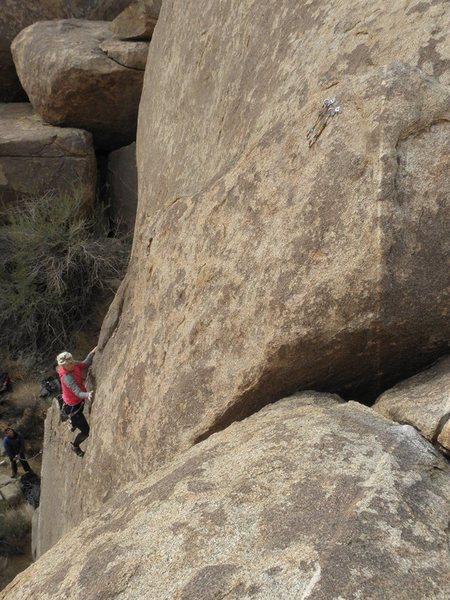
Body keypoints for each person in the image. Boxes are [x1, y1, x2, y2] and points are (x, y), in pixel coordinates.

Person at [56, 347, 96, 458]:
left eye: (72, 362)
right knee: (86, 431)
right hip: (73, 407)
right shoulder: (67, 377)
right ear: (63, 366)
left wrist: (92, 353)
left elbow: (84, 364)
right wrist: (87, 395)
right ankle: (75, 445)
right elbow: (77, 392)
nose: (72, 364)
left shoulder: (74, 364)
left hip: (77, 402)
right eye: (68, 364)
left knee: (79, 414)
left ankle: (73, 423)